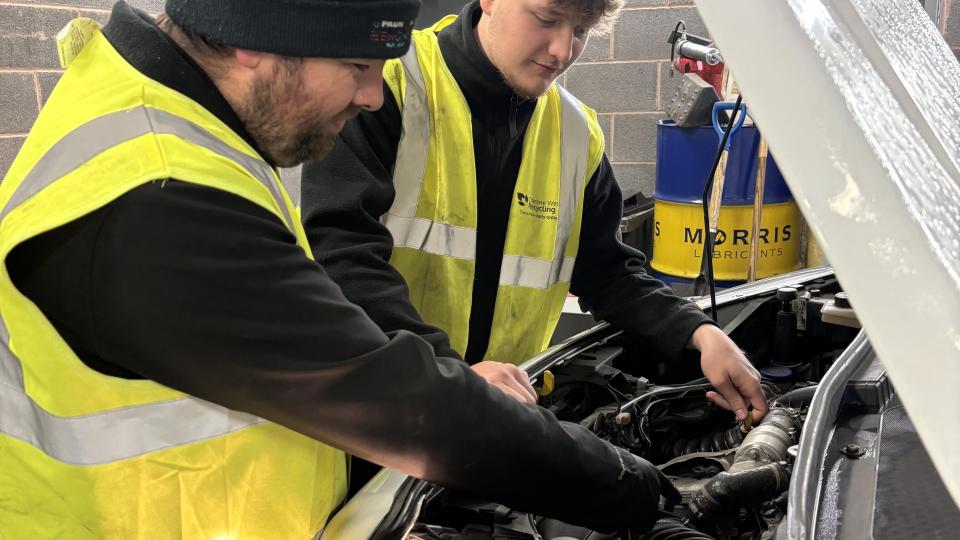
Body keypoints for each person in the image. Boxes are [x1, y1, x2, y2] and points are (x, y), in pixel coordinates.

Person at [0, 0, 681, 537]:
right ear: (252, 39)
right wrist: (633, 487)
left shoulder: (181, 125)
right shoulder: (155, 196)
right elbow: (401, 403)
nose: (374, 98)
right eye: (359, 65)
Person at [301, 0, 767, 417]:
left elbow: (608, 270)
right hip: (375, 409)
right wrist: (445, 373)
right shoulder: (385, 84)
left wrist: (700, 333)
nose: (563, 50)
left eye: (581, 30)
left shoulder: (575, 133)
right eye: (547, 19)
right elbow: (338, 253)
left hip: (500, 413)